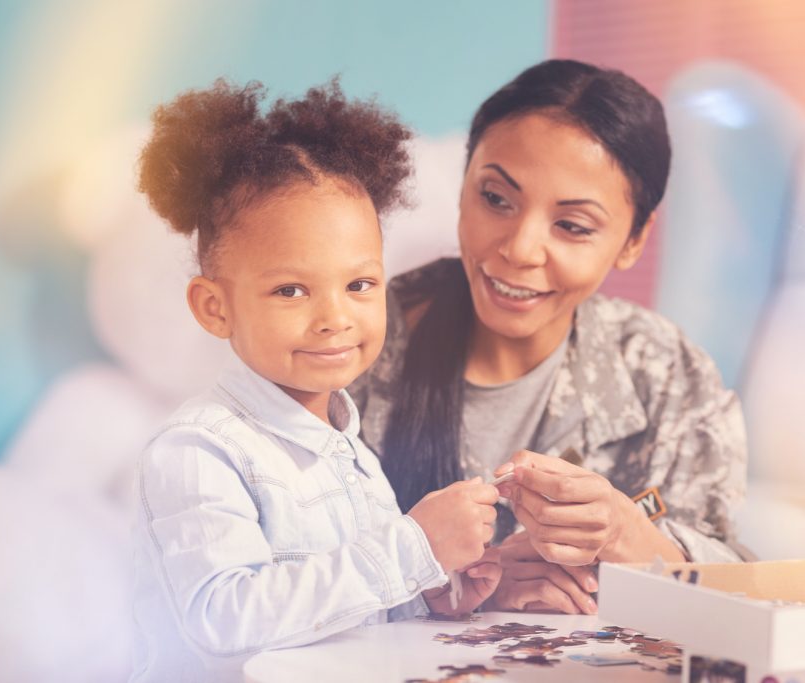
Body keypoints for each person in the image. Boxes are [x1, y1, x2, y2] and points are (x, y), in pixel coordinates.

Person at [130, 79, 500, 683]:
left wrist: (431, 593)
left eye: (359, 285)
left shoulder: (349, 449)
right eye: (291, 290)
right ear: (214, 307)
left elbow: (344, 610)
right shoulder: (198, 451)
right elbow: (223, 622)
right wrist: (412, 548)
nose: (335, 318)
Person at [350, 59, 748, 616]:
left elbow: (739, 588)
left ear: (633, 240)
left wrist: (625, 536)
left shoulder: (666, 373)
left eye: (573, 226)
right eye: (495, 198)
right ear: (464, 184)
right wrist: (457, 593)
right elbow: (273, 578)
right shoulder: (353, 339)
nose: (520, 248)